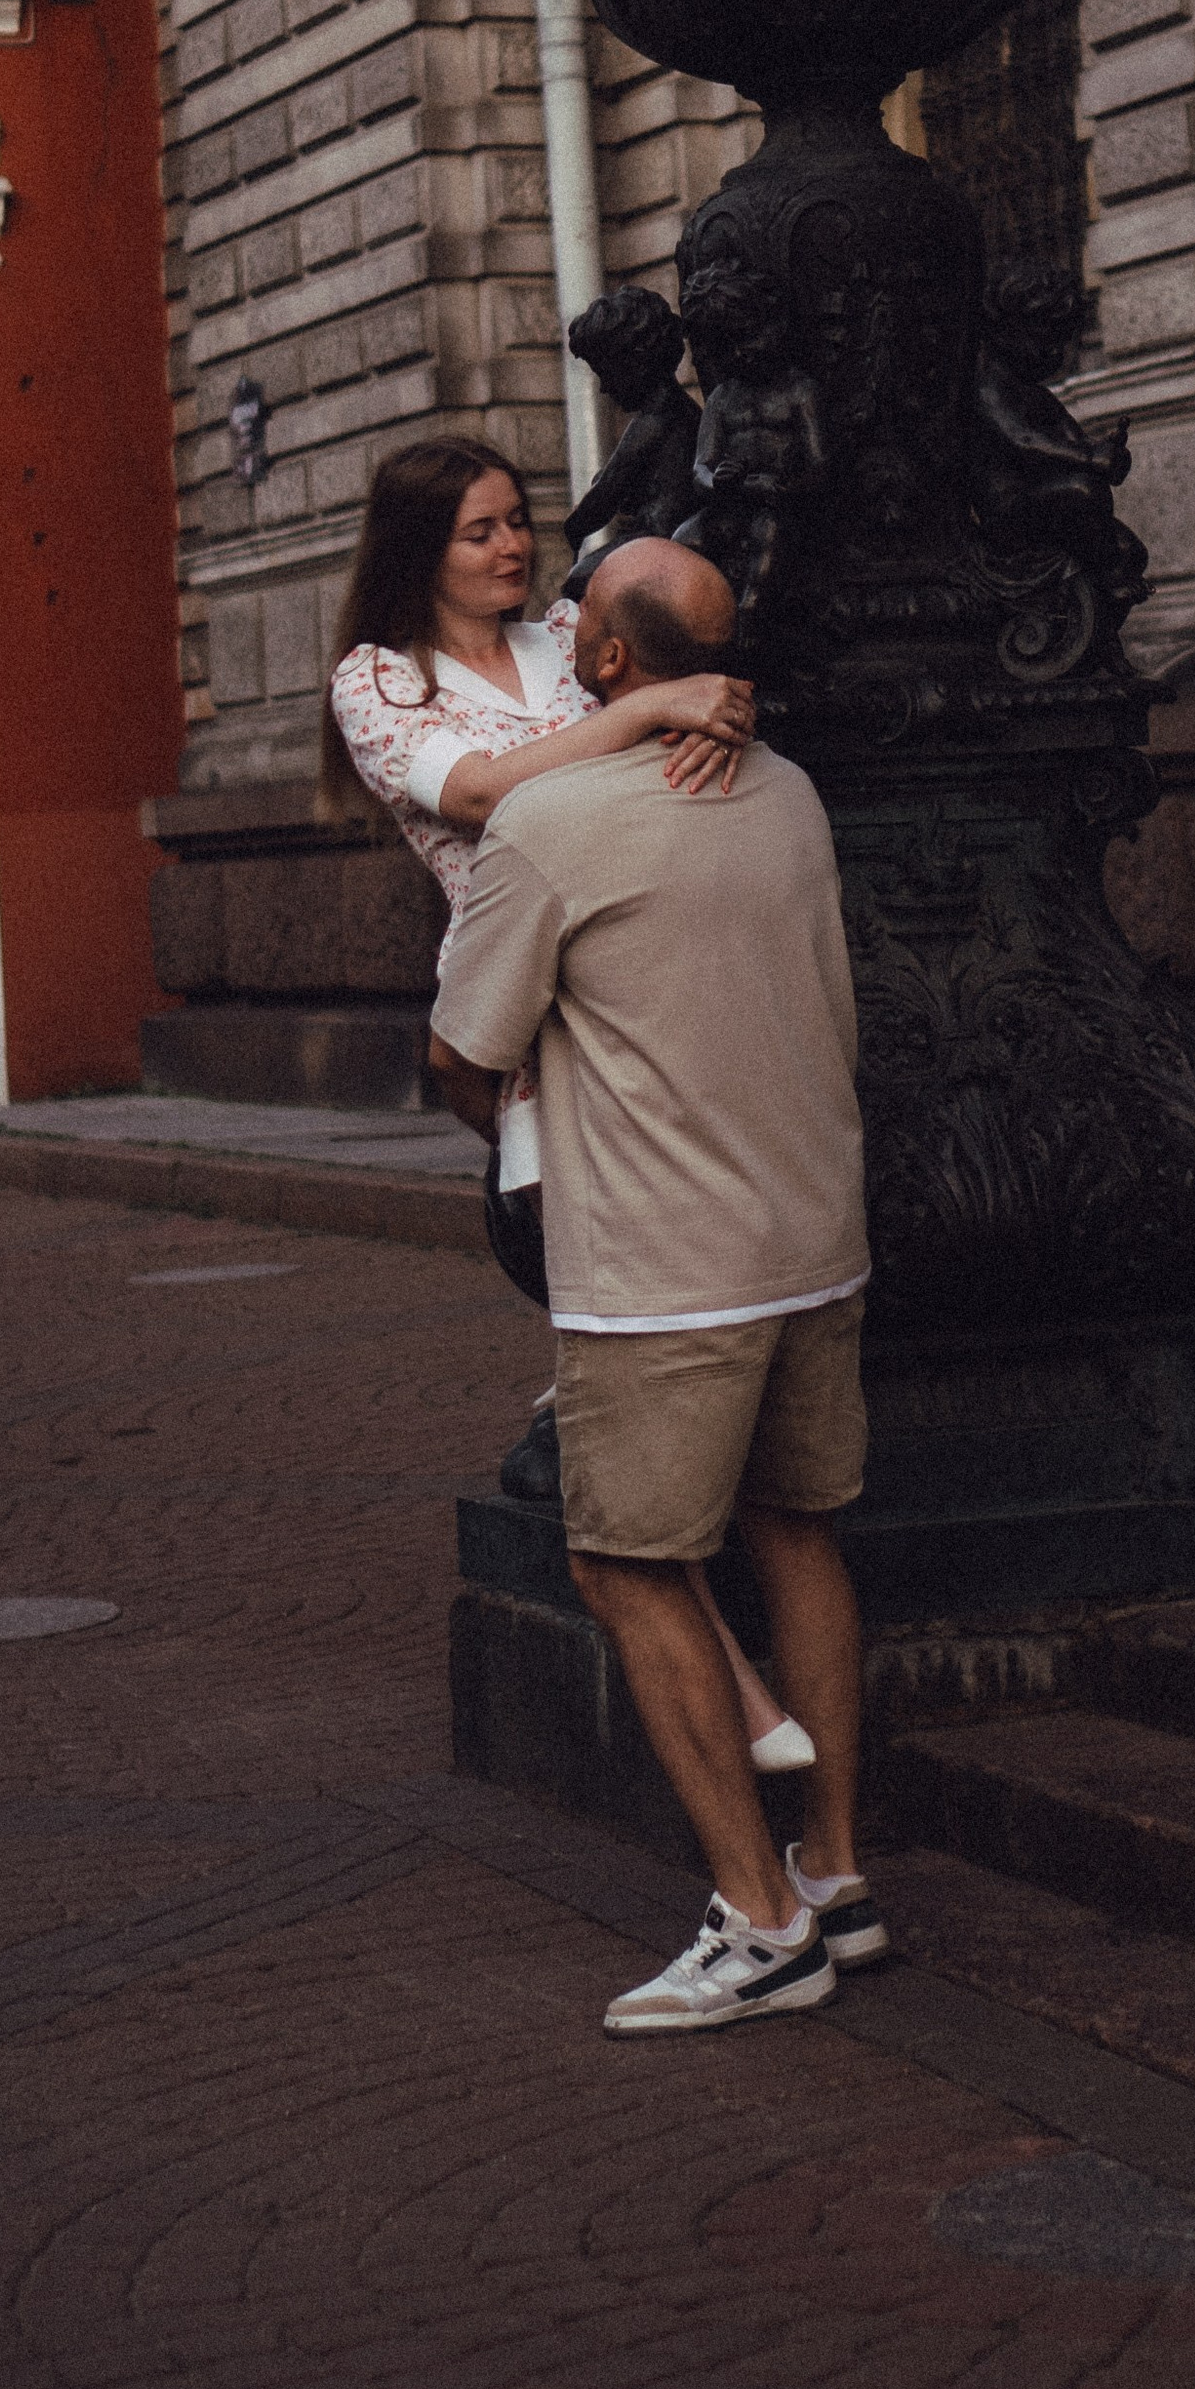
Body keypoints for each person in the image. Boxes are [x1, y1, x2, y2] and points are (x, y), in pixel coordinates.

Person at [427, 536, 888, 2036]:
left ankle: (757, 1924)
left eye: (578, 618)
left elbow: (462, 1055)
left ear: (612, 665)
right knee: (798, 1528)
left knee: (626, 1565)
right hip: (814, 1236)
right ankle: (832, 1873)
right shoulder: (796, 791)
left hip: (662, 1273)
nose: (557, 622)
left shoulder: (554, 824)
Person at [322, 436, 811, 1772]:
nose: (513, 547)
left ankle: (747, 1690)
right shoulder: (381, 682)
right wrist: (651, 714)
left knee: (644, 1371)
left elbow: (670, 742)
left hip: (658, 982)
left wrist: (702, 715)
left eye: (519, 522)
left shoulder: (563, 639)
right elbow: (476, 793)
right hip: (528, 1013)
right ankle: (742, 1692)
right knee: (604, 1358)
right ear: (421, 547)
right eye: (481, 529)